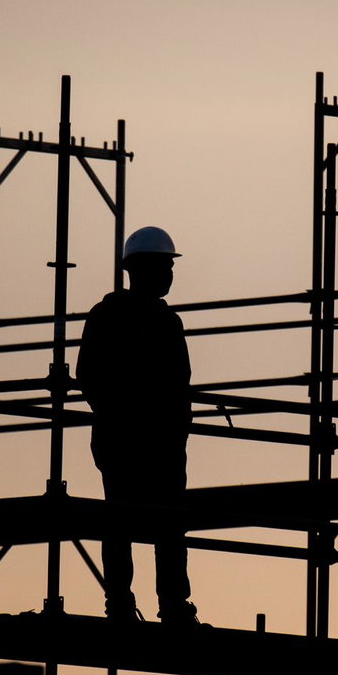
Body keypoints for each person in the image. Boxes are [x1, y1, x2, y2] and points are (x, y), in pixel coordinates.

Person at [77, 225, 199, 626]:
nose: (170, 275)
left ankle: (127, 603)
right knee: (160, 523)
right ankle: (166, 605)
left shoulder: (112, 317)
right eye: (165, 267)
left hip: (130, 440)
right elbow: (179, 383)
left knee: (128, 522)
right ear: (144, 270)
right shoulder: (153, 321)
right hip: (146, 441)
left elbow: (88, 377)